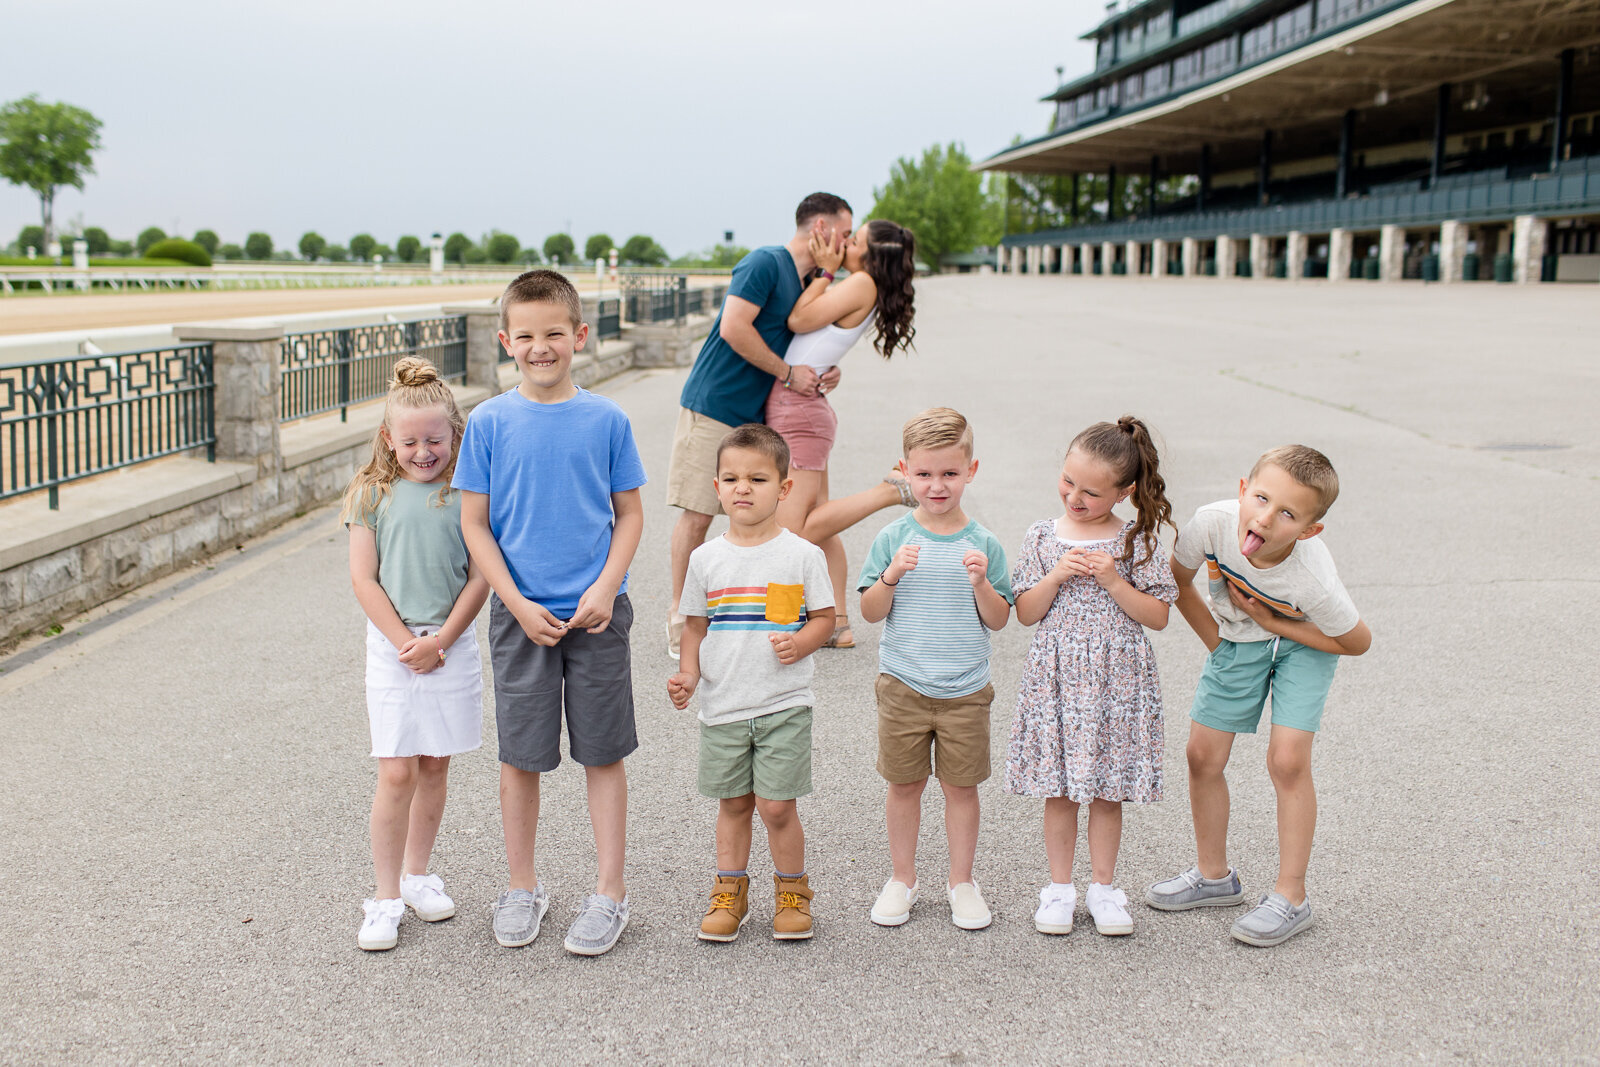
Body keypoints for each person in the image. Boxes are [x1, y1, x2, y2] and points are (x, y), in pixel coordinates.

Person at [454, 270, 647, 957]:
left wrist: (607, 585)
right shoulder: (486, 423)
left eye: (555, 334)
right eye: (527, 336)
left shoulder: (607, 420)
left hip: (598, 613)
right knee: (521, 755)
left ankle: (610, 889)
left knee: (603, 750)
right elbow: (475, 525)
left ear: (580, 336)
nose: (541, 347)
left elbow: (629, 514)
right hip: (519, 615)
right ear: (507, 341)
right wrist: (514, 600)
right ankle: (521, 884)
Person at [1146, 445, 1371, 947]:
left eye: (1287, 513)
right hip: (1238, 635)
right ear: (1243, 490)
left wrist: (1273, 622)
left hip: (1307, 639)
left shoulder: (1311, 582)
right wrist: (1217, 645)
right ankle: (1213, 877)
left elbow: (1356, 642)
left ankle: (1291, 897)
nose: (1266, 518)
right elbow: (1178, 582)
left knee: (1287, 761)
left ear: (1309, 530)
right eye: (1262, 498)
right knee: (1202, 755)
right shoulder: (1211, 524)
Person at [1004, 418, 1177, 938]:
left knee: (1106, 790)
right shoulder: (1041, 536)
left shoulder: (1136, 539)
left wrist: (1113, 579)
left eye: (1091, 492)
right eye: (1068, 482)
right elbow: (1026, 613)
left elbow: (1159, 615)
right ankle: (1059, 889)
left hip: (1117, 682)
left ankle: (1104, 888)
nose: (1074, 497)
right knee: (1058, 789)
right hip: (1057, 677)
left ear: (1124, 492)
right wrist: (1056, 574)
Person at [341, 357, 490, 952]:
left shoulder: (468, 494)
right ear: (388, 439)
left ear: (455, 434)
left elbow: (481, 577)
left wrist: (442, 641)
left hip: (451, 642)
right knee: (396, 768)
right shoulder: (370, 494)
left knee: (434, 763)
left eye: (435, 439)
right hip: (394, 645)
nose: (423, 451)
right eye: (410, 441)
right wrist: (407, 641)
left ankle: (418, 873)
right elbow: (364, 579)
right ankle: (383, 897)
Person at [667, 193, 854, 660]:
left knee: (752, 517)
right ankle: (679, 618)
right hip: (716, 403)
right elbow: (734, 327)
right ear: (820, 227)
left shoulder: (811, 281)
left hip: (760, 416)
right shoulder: (766, 263)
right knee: (698, 513)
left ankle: (739, 614)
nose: (848, 242)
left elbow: (807, 342)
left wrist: (826, 370)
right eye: (845, 232)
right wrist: (788, 373)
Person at [668, 425, 835, 942]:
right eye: (732, 478)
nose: (743, 488)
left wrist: (803, 642)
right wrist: (689, 674)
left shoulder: (802, 555)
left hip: (784, 702)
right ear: (717, 487)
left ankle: (791, 890)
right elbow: (695, 624)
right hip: (722, 705)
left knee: (778, 806)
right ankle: (730, 891)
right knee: (734, 803)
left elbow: (825, 618)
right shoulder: (705, 559)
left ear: (784, 488)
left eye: (758, 479)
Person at [857, 408, 1012, 930]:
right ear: (904, 471)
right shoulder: (892, 539)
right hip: (903, 682)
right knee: (904, 785)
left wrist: (982, 585)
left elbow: (999, 619)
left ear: (972, 469)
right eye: (924, 474)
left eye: (949, 473)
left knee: (960, 787)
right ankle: (902, 878)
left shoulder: (984, 543)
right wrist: (893, 575)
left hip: (966, 688)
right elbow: (870, 612)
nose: (937, 485)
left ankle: (961, 881)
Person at [768, 220, 921, 649]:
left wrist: (825, 271)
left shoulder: (858, 283)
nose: (843, 244)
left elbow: (798, 320)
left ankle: (888, 492)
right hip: (807, 409)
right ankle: (837, 622)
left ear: (870, 257)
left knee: (793, 531)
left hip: (798, 411)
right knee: (823, 523)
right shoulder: (867, 285)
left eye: (854, 242)